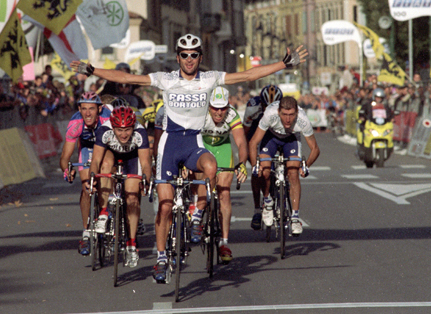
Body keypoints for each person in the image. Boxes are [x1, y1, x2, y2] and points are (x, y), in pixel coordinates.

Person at [71, 34, 308, 283]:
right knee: (165, 206)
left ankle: (196, 213)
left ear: (200, 57)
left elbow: (248, 75)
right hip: (170, 145)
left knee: (211, 166)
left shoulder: (209, 78)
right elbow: (127, 77)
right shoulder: (166, 79)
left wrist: (284, 64)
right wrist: (92, 69)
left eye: (194, 54)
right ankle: (161, 260)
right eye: (184, 54)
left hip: (194, 142)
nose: (189, 59)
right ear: (178, 57)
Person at [88, 106, 152, 267]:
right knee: (105, 166)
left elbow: (145, 164)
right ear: (113, 127)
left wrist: (145, 180)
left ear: (133, 127)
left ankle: (131, 244)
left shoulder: (140, 132)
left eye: (127, 130)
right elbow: (95, 160)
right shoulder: (104, 131)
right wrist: (92, 179)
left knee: (132, 197)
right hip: (112, 154)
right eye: (119, 130)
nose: (123, 134)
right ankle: (103, 213)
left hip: (132, 158)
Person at [248, 96, 320, 236]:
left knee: (293, 174)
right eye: (284, 115)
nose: (288, 119)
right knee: (265, 170)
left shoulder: (302, 120)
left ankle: (295, 218)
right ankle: (268, 202)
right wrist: (255, 165)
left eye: (291, 115)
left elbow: (315, 149)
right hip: (271, 137)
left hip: (291, 139)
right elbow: (253, 143)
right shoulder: (269, 114)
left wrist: (305, 166)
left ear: (297, 113)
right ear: (278, 112)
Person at [59, 91, 112, 255]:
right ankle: (86, 231)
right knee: (86, 188)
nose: (88, 113)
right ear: (79, 109)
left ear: (99, 109)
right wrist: (67, 170)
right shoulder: (75, 122)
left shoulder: (107, 118)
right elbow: (65, 156)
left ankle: (104, 211)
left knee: (105, 169)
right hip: (87, 147)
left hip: (107, 146)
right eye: (84, 109)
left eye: (92, 109)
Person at [199, 86, 248, 263]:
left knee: (224, 193)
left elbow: (241, 142)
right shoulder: (201, 112)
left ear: (228, 106)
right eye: (215, 108)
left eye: (222, 108)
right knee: (200, 185)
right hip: (202, 147)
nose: (219, 112)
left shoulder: (232, 115)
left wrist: (242, 164)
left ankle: (224, 242)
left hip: (222, 149)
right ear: (208, 105)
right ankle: (196, 210)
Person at [242, 84, 283, 231]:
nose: (270, 109)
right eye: (266, 106)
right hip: (256, 134)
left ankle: (284, 190)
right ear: (261, 102)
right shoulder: (252, 106)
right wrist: (248, 154)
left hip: (276, 134)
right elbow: (245, 133)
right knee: (256, 171)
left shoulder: (285, 108)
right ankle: (257, 210)